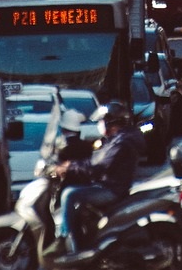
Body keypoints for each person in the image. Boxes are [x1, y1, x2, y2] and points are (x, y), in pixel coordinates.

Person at [47, 101, 145, 258]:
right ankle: (82, 242)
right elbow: (94, 161)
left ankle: (65, 240)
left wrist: (70, 167)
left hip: (111, 189)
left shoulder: (121, 143)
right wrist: (72, 165)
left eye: (101, 121)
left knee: (69, 194)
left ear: (110, 122)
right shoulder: (115, 140)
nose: (100, 125)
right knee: (77, 201)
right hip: (108, 184)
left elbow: (99, 167)